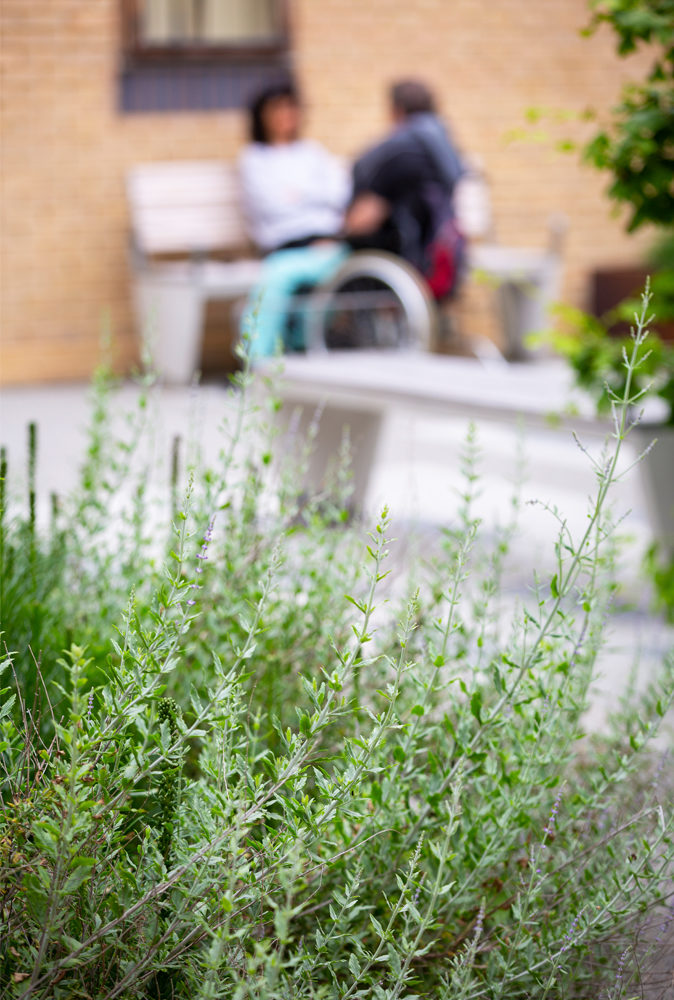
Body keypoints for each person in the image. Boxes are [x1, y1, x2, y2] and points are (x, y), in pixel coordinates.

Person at [239, 83, 351, 357]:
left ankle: (301, 351)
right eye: (277, 108)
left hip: (327, 244)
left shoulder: (313, 152)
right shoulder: (254, 158)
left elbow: (340, 193)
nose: (286, 114)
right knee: (277, 279)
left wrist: (297, 194)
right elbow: (272, 205)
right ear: (261, 115)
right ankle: (256, 364)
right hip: (284, 249)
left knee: (336, 281)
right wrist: (314, 196)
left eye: (291, 107)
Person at [344, 79, 466, 300]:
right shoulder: (442, 141)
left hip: (412, 254)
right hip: (443, 248)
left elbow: (362, 183)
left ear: (397, 110)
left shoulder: (402, 145)